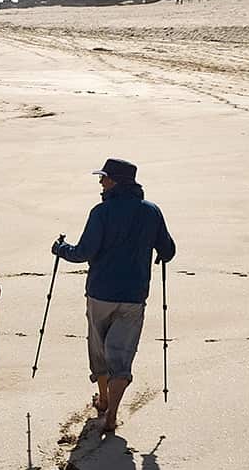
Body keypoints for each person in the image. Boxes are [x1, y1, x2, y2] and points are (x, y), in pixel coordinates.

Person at [52, 158, 176, 434]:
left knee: (98, 348)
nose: (100, 182)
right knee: (121, 356)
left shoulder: (102, 212)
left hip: (100, 293)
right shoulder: (151, 211)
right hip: (134, 295)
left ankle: (104, 399)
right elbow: (168, 249)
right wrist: (158, 256)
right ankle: (113, 413)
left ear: (116, 181)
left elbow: (83, 253)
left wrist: (60, 248)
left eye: (104, 177)